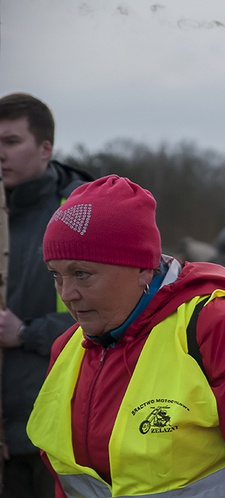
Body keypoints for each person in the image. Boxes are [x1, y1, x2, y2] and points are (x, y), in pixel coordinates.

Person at [27, 175, 225, 497]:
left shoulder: (224, 329)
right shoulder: (68, 347)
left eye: (81, 274)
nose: (67, 293)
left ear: (142, 267)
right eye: (56, 275)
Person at [0, 92, 93, 498]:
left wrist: (26, 333)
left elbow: (121, 314)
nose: (0, 154)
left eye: (11, 142)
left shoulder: (81, 212)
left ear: (45, 148)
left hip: (59, 427)